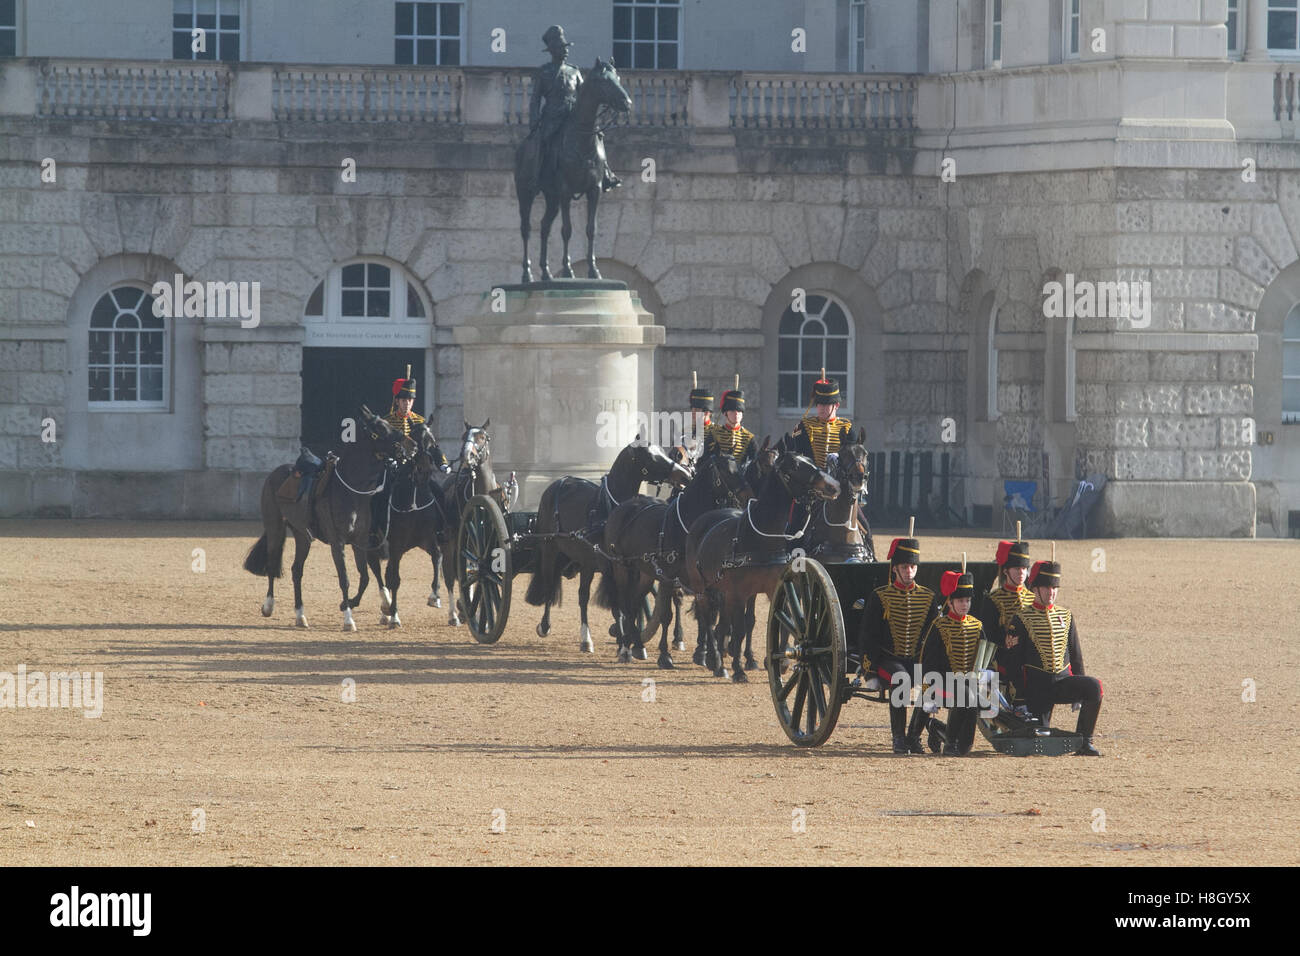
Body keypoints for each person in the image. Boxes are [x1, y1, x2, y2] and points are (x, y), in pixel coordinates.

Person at [1004, 560, 1103, 756]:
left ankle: (1084, 741)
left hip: (1062, 681)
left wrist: (1080, 690)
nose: (1052, 593)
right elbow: (1013, 663)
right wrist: (1020, 699)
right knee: (1040, 745)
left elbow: (1075, 655)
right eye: (1047, 588)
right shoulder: (1021, 619)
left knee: (1094, 687)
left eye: (1055, 588)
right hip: (1036, 688)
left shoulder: (1066, 616)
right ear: (1034, 589)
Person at [858, 536, 937, 754]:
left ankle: (914, 736)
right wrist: (870, 670)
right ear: (895, 569)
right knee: (900, 679)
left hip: (916, 659)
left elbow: (933, 637)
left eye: (913, 566)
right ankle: (899, 739)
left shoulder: (928, 597)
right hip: (888, 659)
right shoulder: (880, 596)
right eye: (904, 566)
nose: (909, 571)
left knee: (934, 682)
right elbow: (869, 635)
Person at [526, 25, 621, 195]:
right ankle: (537, 176)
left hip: (572, 116)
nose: (566, 50)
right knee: (543, 142)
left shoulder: (574, 71)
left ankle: (606, 173)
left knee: (597, 137)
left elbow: (583, 95)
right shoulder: (544, 72)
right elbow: (535, 100)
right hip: (553, 118)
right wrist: (534, 121)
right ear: (553, 50)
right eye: (562, 47)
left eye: (566, 47)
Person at [920, 571, 987, 755]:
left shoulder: (977, 626)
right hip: (943, 680)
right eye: (960, 601)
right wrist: (927, 691)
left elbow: (985, 658)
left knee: (965, 748)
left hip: (970, 683)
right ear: (950, 602)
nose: (965, 605)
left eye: (967, 600)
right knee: (967, 694)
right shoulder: (939, 626)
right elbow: (929, 663)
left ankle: (940, 730)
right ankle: (950, 743)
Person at [978, 539, 1033, 703]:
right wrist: (1007, 641)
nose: (1021, 573)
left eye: (1024, 568)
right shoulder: (993, 599)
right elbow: (987, 633)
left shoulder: (1033, 598)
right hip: (1001, 655)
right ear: (1006, 571)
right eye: (1017, 568)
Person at [790, 377, 854, 471]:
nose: (821, 408)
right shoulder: (803, 426)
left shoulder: (847, 428)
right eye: (819, 404)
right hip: (811, 480)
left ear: (836, 405)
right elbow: (795, 453)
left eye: (825, 404)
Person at [701, 389, 756, 467]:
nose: (736, 414)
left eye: (739, 411)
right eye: (732, 410)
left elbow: (754, 463)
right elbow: (704, 461)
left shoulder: (749, 438)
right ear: (725, 413)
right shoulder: (714, 435)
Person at [671, 383, 713, 466]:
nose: (693, 413)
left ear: (707, 412)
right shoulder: (684, 432)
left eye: (697, 410)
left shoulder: (717, 432)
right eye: (692, 409)